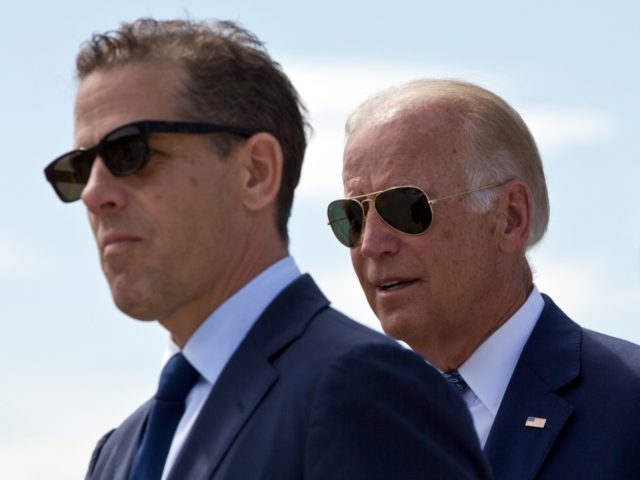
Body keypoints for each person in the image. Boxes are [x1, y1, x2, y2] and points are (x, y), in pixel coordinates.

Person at [44, 19, 492, 480]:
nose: (96, 193)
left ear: (255, 172)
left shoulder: (364, 392)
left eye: (129, 152)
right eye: (80, 167)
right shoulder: (117, 454)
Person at [328, 78, 640, 479]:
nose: (371, 243)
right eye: (353, 217)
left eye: (404, 207)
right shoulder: (344, 431)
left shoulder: (628, 405)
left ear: (510, 217)